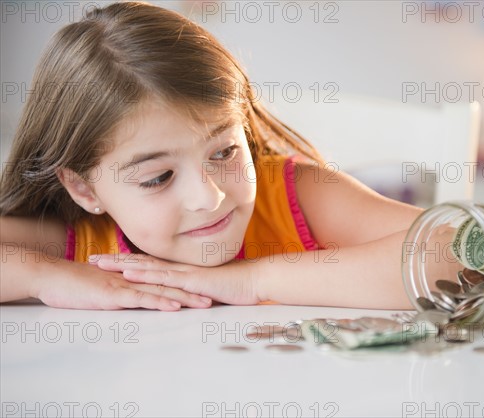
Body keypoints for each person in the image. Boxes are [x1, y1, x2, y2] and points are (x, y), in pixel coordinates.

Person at [0, 1, 431, 311]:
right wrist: (45, 277)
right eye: (158, 177)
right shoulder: (83, 244)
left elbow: (469, 250)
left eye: (224, 150)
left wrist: (252, 279)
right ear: (83, 187)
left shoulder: (297, 196)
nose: (209, 198)